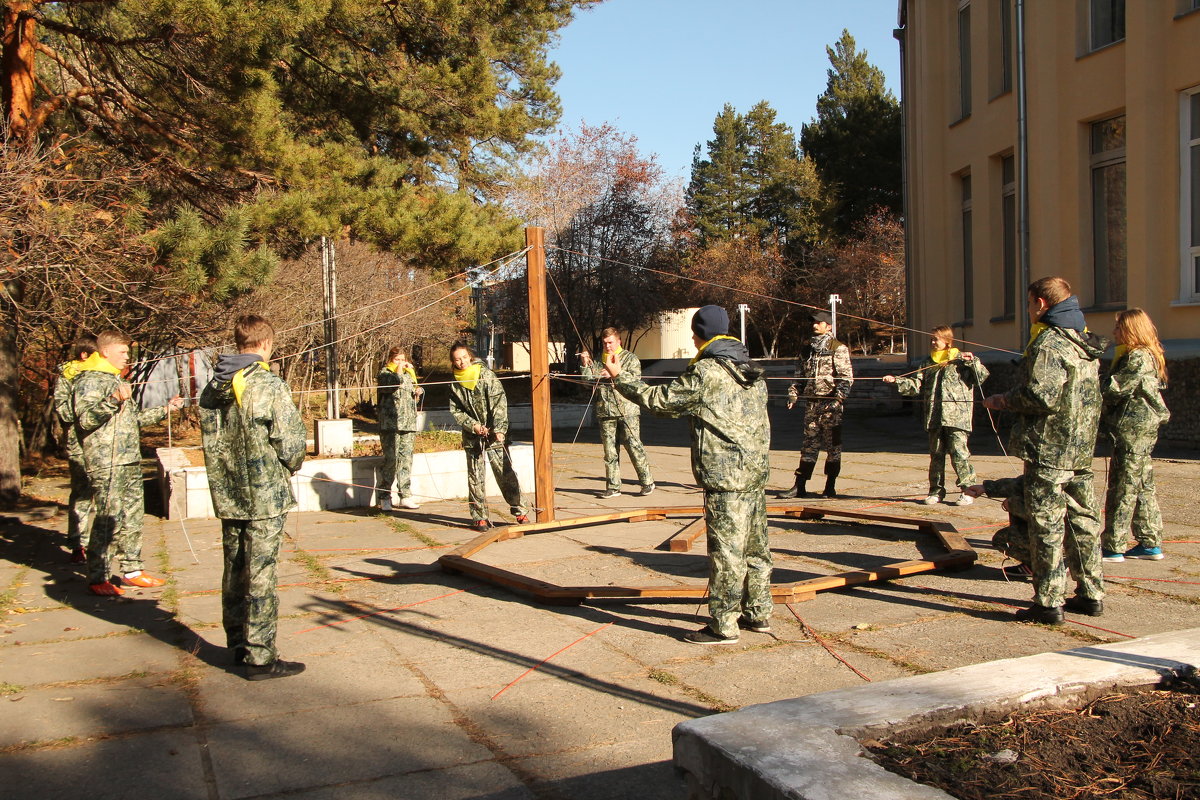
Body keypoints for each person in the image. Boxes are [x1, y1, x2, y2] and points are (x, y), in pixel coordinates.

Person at [603, 305, 771, 644]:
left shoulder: (708, 371)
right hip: (754, 471)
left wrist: (621, 379)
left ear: (702, 334)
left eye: (694, 333)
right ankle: (759, 612)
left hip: (725, 476)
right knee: (756, 548)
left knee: (727, 552)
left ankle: (724, 625)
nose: (692, 339)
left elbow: (661, 401)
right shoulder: (749, 367)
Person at [983, 277, 1108, 623]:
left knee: (1047, 524)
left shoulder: (1050, 343)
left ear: (1040, 303)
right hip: (1080, 449)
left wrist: (1002, 400)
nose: (1027, 310)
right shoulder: (1083, 341)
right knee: (1083, 521)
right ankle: (1090, 593)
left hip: (1050, 450)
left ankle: (1049, 602)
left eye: (1028, 304)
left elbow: (1041, 396)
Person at [199, 315, 308, 681]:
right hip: (263, 497)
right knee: (260, 573)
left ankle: (237, 644)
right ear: (265, 345)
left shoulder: (214, 386)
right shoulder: (267, 384)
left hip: (228, 493)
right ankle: (260, 657)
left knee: (235, 568)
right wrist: (290, 466)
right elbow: (290, 442)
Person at [72, 330, 181, 596]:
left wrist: (165, 410)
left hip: (129, 460)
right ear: (105, 352)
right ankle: (98, 575)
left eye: (128, 353)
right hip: (106, 461)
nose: (127, 358)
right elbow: (85, 420)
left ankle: (133, 569)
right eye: (122, 352)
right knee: (108, 519)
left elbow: (133, 420)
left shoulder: (116, 380)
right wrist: (112, 401)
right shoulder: (89, 381)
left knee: (132, 516)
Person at [883, 326, 989, 506]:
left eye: (936, 339)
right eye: (931, 339)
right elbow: (916, 386)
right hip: (935, 417)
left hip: (957, 418)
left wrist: (972, 362)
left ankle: (968, 490)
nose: (933, 343)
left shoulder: (961, 360)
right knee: (936, 456)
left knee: (959, 455)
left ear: (947, 341)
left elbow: (981, 377)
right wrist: (896, 382)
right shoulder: (927, 363)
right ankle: (936, 491)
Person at [1099, 308, 1170, 562]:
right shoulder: (1142, 355)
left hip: (1133, 432)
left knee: (1123, 486)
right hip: (1138, 430)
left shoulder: (1137, 357)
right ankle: (1150, 542)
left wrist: (1087, 376)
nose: (1114, 332)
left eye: (1118, 328)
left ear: (1130, 330)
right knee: (1142, 485)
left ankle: (1113, 545)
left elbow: (1114, 389)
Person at [448, 343, 529, 530]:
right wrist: (473, 426)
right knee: (475, 476)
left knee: (504, 472)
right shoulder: (453, 382)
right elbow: (456, 411)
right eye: (457, 359)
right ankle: (479, 516)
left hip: (494, 434)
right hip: (473, 436)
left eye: (464, 357)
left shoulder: (485, 375)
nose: (462, 362)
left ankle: (520, 510)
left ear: (470, 356)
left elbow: (499, 402)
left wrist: (499, 428)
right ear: (452, 361)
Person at [778, 310, 853, 499]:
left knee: (833, 447)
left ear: (828, 326)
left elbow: (846, 378)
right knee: (809, 446)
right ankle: (799, 485)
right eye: (813, 322)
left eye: (818, 323)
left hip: (830, 406)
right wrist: (793, 394)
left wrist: (838, 400)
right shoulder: (807, 350)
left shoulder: (838, 348)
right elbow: (800, 377)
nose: (814, 325)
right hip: (812, 405)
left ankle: (830, 486)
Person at [580, 327, 655, 498]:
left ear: (618, 341)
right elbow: (588, 382)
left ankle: (647, 482)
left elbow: (635, 380)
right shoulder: (599, 359)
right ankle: (613, 486)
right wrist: (585, 365)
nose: (607, 346)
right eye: (604, 343)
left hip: (627, 410)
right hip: (605, 411)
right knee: (610, 452)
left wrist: (615, 374)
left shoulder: (630, 358)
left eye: (610, 342)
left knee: (634, 447)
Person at [54, 336, 98, 564]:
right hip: (78, 443)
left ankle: (102, 543)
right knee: (82, 494)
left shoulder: (102, 376)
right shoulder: (68, 377)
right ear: (84, 355)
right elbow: (63, 411)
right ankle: (78, 543)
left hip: (102, 442)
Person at [376, 346, 423, 511]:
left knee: (406, 461)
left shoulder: (409, 374)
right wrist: (399, 370)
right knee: (391, 460)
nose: (401, 363)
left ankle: (405, 495)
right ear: (390, 360)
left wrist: (417, 391)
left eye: (403, 359)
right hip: (391, 425)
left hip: (408, 424)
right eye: (397, 360)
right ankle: (384, 496)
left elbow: (410, 398)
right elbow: (391, 385)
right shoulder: (385, 374)